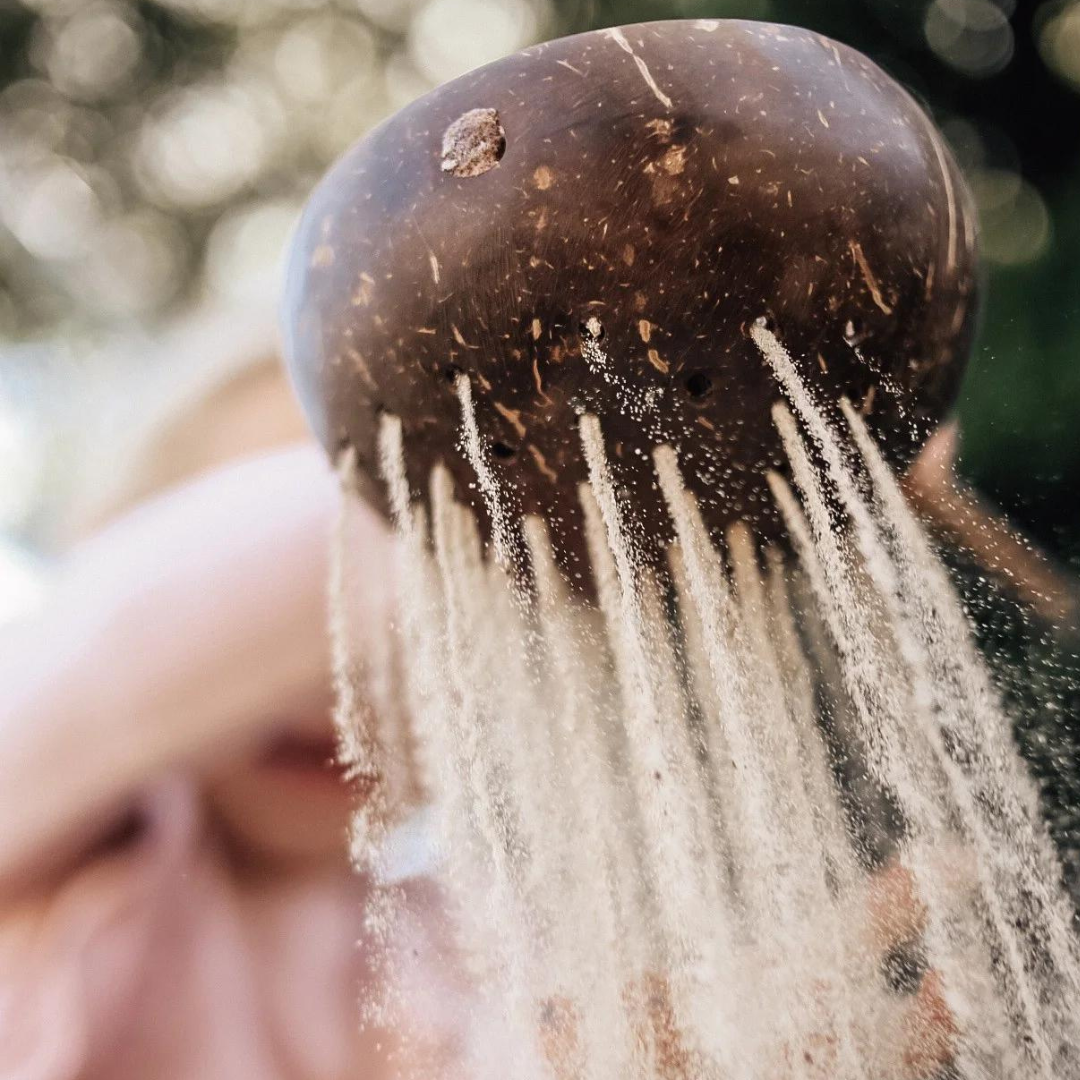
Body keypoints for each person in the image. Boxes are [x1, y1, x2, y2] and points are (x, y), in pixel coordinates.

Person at [0, 314, 459, 1080]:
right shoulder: (56, 848)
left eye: (423, 632)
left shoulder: (466, 946)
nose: (333, 679)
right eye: (260, 608)